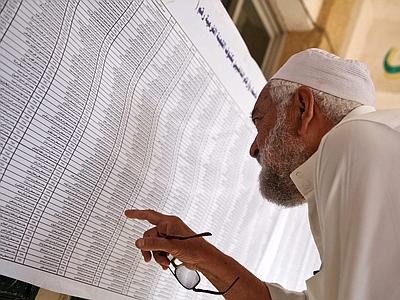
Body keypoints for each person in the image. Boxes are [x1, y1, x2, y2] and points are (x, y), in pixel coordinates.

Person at [125, 48, 400, 299]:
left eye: (259, 120)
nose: (253, 148)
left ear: (303, 108)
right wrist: (204, 256)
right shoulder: (364, 144)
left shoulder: (353, 141)